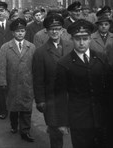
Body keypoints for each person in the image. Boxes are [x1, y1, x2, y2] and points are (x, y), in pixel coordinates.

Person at [54, 19, 109, 148]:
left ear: (90, 39)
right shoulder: (64, 64)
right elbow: (60, 95)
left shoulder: (101, 58)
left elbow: (109, 88)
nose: (81, 43)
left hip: (102, 117)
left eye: (85, 38)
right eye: (78, 39)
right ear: (72, 39)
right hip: (79, 119)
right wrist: (62, 122)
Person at [32, 14, 73, 148]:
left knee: (78, 131)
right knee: (55, 134)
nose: (55, 32)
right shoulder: (40, 52)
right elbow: (38, 80)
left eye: (58, 28)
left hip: (71, 96)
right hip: (52, 99)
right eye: (51, 29)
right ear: (47, 31)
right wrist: (40, 100)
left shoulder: (71, 46)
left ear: (62, 30)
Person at [0, 18, 36, 142]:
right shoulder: (5, 47)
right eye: (17, 31)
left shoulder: (32, 47)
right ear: (13, 33)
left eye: (23, 31)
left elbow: (35, 66)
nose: (20, 33)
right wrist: (2, 82)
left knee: (26, 108)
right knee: (13, 107)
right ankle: (14, 125)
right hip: (12, 83)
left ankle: (25, 131)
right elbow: (2, 66)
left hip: (27, 83)